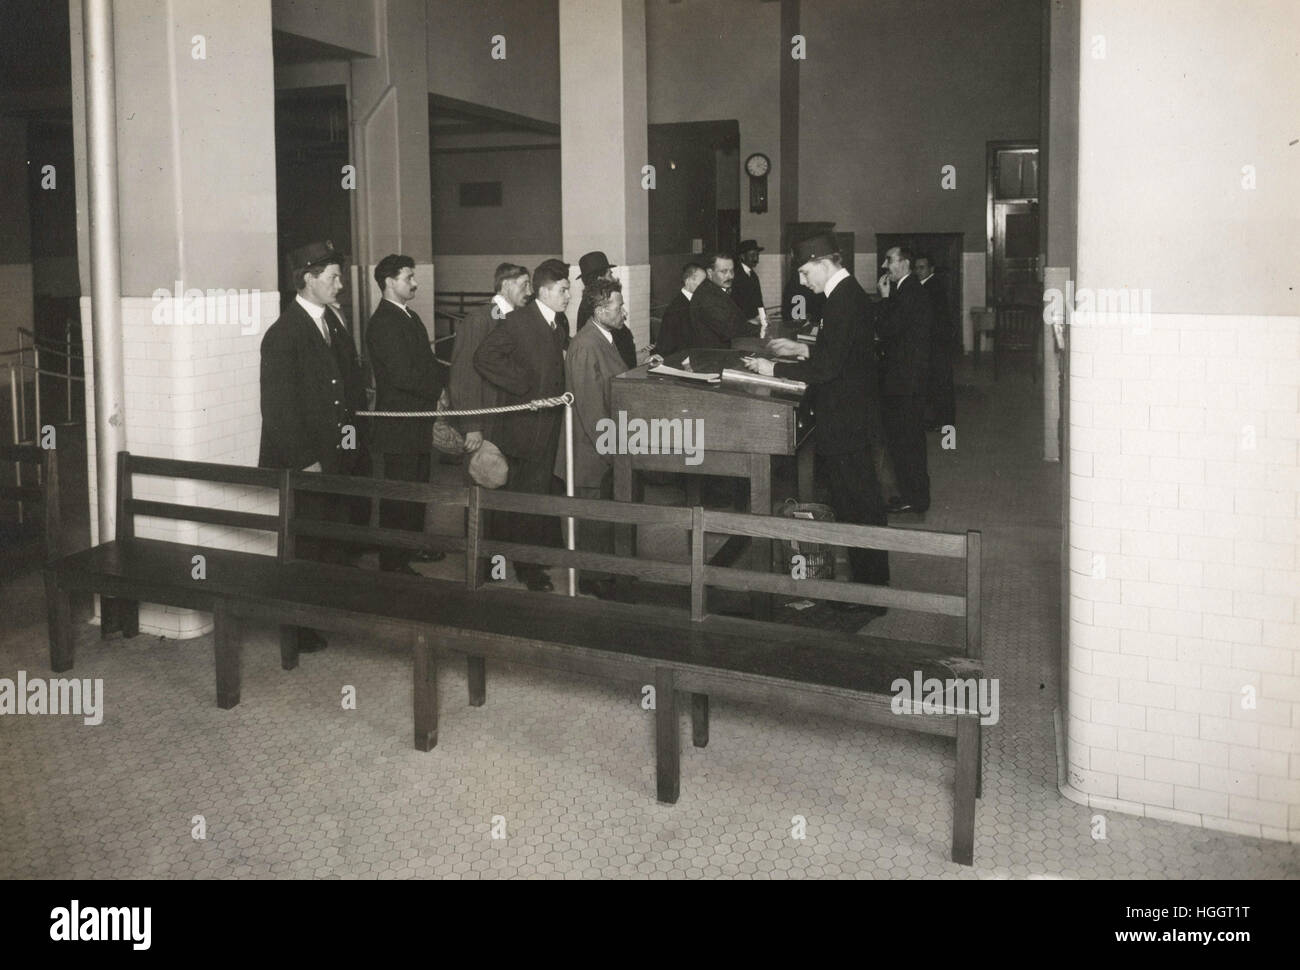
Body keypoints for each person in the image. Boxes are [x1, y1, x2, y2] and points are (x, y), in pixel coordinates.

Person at [744, 232, 889, 615]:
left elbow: (829, 367)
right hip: (850, 416)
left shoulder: (842, 301)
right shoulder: (845, 295)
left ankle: (870, 596)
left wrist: (773, 367)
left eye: (807, 272)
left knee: (858, 502)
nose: (804, 282)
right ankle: (870, 586)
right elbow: (840, 351)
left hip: (847, 420)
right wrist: (801, 348)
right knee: (856, 500)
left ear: (825, 263)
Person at [258, 241, 365, 651]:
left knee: (331, 540)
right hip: (307, 461)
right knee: (306, 544)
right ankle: (297, 627)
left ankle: (323, 613)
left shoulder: (330, 322)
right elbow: (278, 410)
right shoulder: (284, 333)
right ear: (308, 278)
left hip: (336, 454)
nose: (340, 283)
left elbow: (347, 387)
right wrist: (307, 462)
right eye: (333, 277)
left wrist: (353, 446)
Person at [473, 258, 570, 593]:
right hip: (521, 429)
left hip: (549, 428)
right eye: (563, 289)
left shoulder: (560, 323)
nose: (569, 295)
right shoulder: (518, 322)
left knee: (536, 498)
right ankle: (524, 570)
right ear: (543, 291)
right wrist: (523, 386)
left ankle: (530, 560)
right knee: (518, 502)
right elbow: (484, 357)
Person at [365, 254, 446, 573]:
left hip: (417, 421)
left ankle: (413, 548)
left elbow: (427, 362)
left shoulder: (408, 316)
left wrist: (442, 385)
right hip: (399, 425)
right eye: (408, 277)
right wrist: (437, 390)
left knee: (417, 490)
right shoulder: (384, 322)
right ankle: (393, 562)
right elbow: (402, 375)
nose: (415, 283)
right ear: (389, 281)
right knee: (399, 497)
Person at [556, 277, 631, 601]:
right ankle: (591, 577)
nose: (624, 311)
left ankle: (601, 573)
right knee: (590, 518)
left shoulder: (605, 338)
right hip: (589, 451)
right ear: (600, 310)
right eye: (618, 306)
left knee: (600, 518)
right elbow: (590, 407)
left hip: (601, 447)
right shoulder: (587, 345)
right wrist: (611, 449)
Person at [448, 262, 531, 453]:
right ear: (506, 285)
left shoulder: (515, 318)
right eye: (524, 285)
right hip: (485, 418)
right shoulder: (480, 319)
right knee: (482, 476)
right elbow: (463, 375)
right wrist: (472, 425)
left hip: (505, 416)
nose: (529, 291)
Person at [876, 246, 934, 514]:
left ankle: (915, 498)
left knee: (907, 441)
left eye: (890, 260)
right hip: (909, 378)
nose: (885, 264)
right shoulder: (908, 288)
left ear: (905, 263)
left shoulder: (907, 291)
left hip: (906, 381)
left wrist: (885, 298)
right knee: (905, 440)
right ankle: (912, 495)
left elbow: (888, 330)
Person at [576, 251, 637, 370]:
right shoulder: (592, 309)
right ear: (600, 280)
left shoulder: (588, 304)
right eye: (610, 274)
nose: (613, 278)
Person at [916, 253, 955, 430]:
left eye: (922, 267)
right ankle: (942, 419)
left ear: (931, 269)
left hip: (937, 341)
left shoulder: (931, 286)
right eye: (916, 268)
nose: (918, 271)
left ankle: (945, 423)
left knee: (940, 382)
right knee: (938, 381)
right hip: (937, 340)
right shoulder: (928, 285)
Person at [685, 253, 753, 350]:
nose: (730, 276)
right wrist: (760, 330)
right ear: (709, 273)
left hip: (722, 351)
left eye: (732, 271)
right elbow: (729, 331)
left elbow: (732, 321)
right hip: (712, 357)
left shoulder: (715, 290)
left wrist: (751, 323)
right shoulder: (707, 296)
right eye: (724, 271)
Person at [654, 262, 705, 358]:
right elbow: (667, 346)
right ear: (688, 281)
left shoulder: (698, 302)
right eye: (703, 283)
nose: (706, 287)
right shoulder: (676, 309)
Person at [730, 239, 765, 321]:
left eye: (757, 255)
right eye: (752, 255)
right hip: (741, 323)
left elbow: (759, 301)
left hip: (753, 322)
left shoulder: (754, 276)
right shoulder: (735, 275)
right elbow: (734, 304)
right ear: (742, 256)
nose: (756, 258)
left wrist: (763, 318)